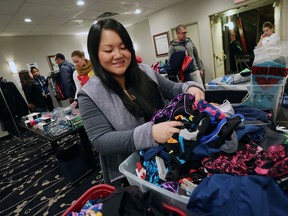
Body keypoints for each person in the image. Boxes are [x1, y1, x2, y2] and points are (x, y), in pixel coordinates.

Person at [78, 18, 205, 187]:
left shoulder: (144, 71)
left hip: (168, 155)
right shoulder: (89, 94)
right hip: (131, 173)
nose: (118, 55)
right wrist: (149, 134)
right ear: (95, 54)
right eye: (108, 50)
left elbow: (172, 89)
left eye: (123, 47)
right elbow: (101, 140)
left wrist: (189, 88)